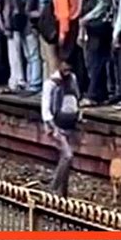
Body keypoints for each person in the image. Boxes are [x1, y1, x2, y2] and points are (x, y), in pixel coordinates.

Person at [41, 61, 82, 197]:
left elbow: (76, 97)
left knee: (64, 158)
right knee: (68, 156)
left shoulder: (72, 79)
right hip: (56, 124)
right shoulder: (50, 84)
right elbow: (46, 109)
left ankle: (63, 192)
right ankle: (54, 188)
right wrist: (52, 127)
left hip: (69, 121)